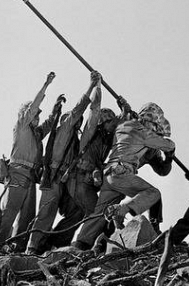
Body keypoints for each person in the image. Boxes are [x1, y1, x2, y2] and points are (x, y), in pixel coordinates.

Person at [72, 101, 175, 250]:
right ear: (150, 121)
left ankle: (81, 244)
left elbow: (163, 170)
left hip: (109, 175)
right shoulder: (141, 131)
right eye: (154, 126)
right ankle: (120, 210)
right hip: (121, 172)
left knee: (98, 214)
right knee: (153, 193)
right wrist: (171, 153)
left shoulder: (124, 126)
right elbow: (169, 145)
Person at [26, 71, 102, 254]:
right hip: (53, 177)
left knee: (77, 210)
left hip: (66, 180)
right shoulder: (64, 129)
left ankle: (56, 242)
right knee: (46, 213)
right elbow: (78, 109)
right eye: (71, 118)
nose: (76, 121)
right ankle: (33, 247)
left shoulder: (75, 139)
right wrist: (92, 86)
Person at [0, 71, 56, 249]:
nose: (37, 118)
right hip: (18, 173)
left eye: (38, 116)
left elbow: (48, 125)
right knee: (9, 212)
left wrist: (56, 110)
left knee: (27, 216)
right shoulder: (22, 125)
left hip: (30, 176)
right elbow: (33, 107)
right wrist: (46, 85)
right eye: (35, 115)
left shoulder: (35, 133)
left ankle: (15, 247)